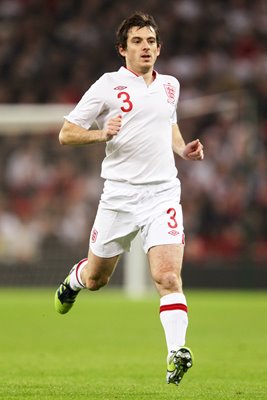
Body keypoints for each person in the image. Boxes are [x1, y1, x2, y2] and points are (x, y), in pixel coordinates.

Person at [54, 11, 204, 386]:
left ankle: (176, 353)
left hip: (163, 193)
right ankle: (73, 283)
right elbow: (67, 134)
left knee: (167, 276)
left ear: (159, 47)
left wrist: (183, 149)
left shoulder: (171, 85)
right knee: (96, 279)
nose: (146, 47)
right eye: (137, 41)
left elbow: (168, 125)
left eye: (151, 41)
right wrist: (101, 134)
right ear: (123, 50)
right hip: (119, 196)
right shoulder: (107, 85)